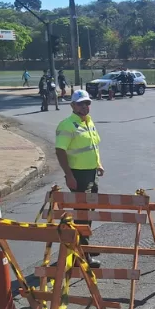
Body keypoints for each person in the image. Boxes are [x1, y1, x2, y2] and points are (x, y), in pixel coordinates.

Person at [55, 90, 102, 268]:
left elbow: (93, 146)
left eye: (87, 103)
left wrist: (99, 164)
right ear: (73, 106)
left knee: (89, 211)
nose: (85, 106)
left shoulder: (88, 122)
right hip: (78, 175)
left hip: (91, 173)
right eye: (81, 103)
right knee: (82, 214)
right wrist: (69, 175)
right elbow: (60, 151)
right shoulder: (68, 125)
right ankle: (81, 255)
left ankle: (85, 244)